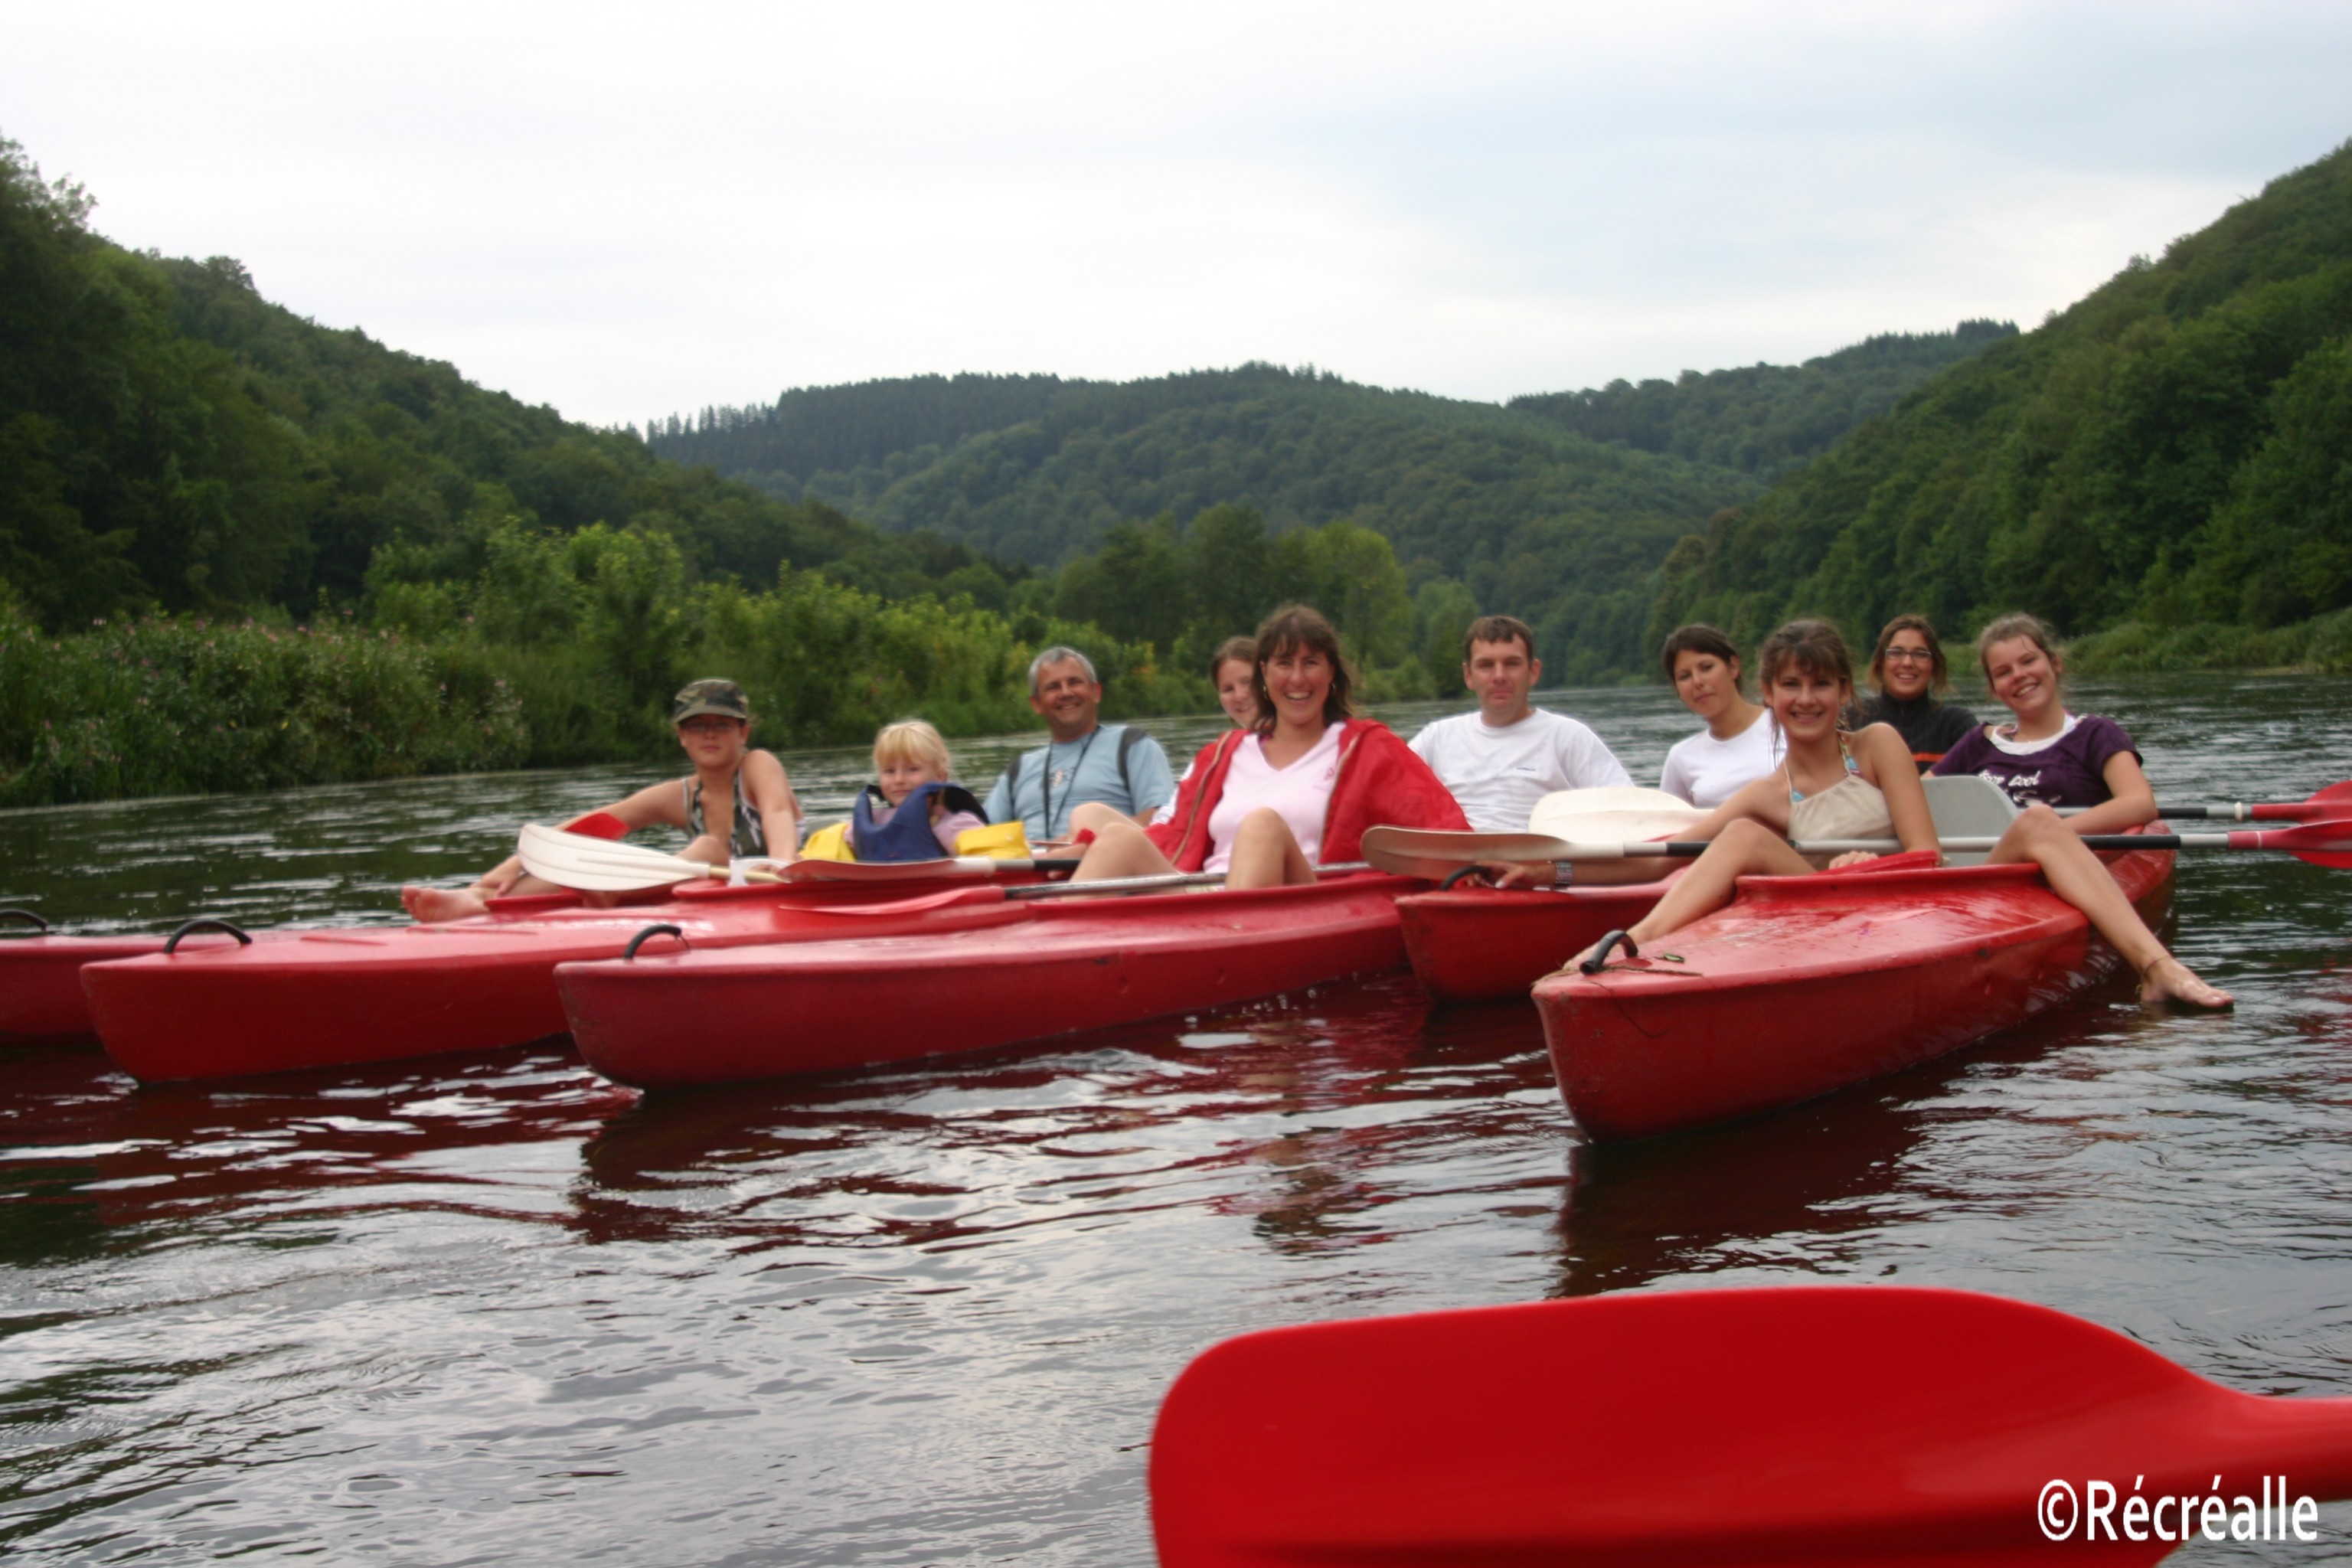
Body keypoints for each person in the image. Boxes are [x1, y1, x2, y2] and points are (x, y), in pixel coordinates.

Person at [1577, 619, 2228, 1009]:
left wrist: (1872, 869)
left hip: (1917, 906)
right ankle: (1627, 945)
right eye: (1793, 686)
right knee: (1741, 833)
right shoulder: (1764, 795)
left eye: (1822, 685)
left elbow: (1927, 853)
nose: (1807, 700)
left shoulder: (1877, 746)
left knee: (2037, 824)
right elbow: (1667, 854)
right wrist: (1553, 868)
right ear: (1769, 694)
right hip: (1832, 911)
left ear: (1843, 692)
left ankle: (2157, 969)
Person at [1067, 605, 1469, 889]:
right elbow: (1173, 836)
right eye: (1283, 663)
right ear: (1264, 673)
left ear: (1331, 672)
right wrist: (1077, 851)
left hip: (1296, 903)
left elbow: (1441, 830)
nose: (1297, 678)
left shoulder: (1369, 748)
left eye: (1310, 662)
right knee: (1118, 837)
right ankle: (1058, 961)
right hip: (1204, 897)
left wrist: (1486, 867)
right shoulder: (1223, 754)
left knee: (1261, 825)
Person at [400, 678, 801, 923]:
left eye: (722, 726)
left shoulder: (758, 766)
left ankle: (613, 890)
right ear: (681, 736)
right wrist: (514, 863)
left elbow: (778, 813)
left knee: (709, 846)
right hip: (696, 895)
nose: (709, 735)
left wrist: (782, 866)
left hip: (767, 888)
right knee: (568, 860)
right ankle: (478, 899)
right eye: (697, 727)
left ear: (743, 734)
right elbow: (599, 824)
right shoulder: (679, 794)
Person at [1408, 614, 1631, 831]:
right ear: (1468, 675)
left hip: (1541, 863)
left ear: (1533, 672)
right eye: (1486, 665)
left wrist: (1558, 870)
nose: (1499, 676)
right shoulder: (1435, 738)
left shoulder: (1569, 737)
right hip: (1452, 860)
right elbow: (1393, 796)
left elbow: (1628, 812)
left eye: (1512, 664)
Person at [981, 646, 1176, 842]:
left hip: (1109, 865)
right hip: (1031, 868)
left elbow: (1161, 821)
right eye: (1053, 687)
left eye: (1075, 682)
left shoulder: (1132, 745)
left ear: (1096, 692)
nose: (1066, 693)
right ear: (1036, 704)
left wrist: (1082, 843)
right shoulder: (1019, 769)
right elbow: (980, 833)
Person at [1657, 625, 1780, 808]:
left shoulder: (1785, 725)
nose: (1697, 682)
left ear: (1733, 667)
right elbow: (1669, 826)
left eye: (1706, 668)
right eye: (1684, 676)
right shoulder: (1681, 757)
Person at [845, 720, 988, 861]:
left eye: (912, 769)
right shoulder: (870, 822)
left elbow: (991, 859)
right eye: (890, 771)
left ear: (940, 776)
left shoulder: (956, 826)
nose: (899, 779)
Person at [1853, 613, 1977, 771]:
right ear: (1880, 663)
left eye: (1920, 654)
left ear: (1934, 665)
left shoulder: (1956, 725)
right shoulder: (1852, 719)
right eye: (1896, 653)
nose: (1907, 663)